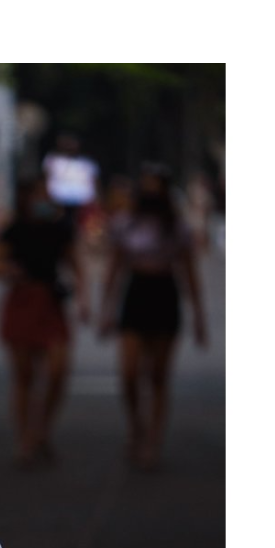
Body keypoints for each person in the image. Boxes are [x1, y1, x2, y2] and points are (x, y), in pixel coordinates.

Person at [97, 166, 209, 470]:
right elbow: (114, 269)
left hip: (164, 294)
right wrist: (106, 309)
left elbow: (190, 273)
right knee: (130, 373)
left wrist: (199, 317)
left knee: (158, 375)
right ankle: (137, 425)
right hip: (136, 293)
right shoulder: (125, 223)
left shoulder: (178, 228)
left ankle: (153, 440)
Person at [0, 177, 89, 466]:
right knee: (24, 376)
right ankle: (26, 438)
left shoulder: (60, 228)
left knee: (58, 371)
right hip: (23, 299)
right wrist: (11, 270)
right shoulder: (14, 229)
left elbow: (75, 263)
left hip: (50, 302)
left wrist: (83, 298)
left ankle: (42, 429)